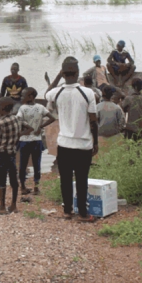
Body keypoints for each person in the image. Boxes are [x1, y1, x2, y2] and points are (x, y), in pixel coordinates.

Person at [45, 60, 98, 222]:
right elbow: (93, 121)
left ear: (63, 74)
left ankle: (68, 211)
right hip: (83, 145)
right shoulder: (88, 93)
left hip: (64, 144)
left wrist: (56, 78)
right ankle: (83, 213)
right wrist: (95, 142)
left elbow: (47, 93)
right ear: (77, 73)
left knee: (66, 180)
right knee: (82, 180)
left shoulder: (57, 93)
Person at [0, 97, 33, 215]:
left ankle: (2, 207)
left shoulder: (1, 122)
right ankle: (14, 205)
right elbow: (30, 128)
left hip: (2, 153)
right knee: (13, 179)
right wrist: (18, 135)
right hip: (12, 153)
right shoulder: (17, 119)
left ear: (2, 109)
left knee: (2, 179)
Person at [16, 87, 55, 196]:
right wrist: (40, 127)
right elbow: (52, 118)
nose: (22, 97)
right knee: (37, 164)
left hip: (24, 141)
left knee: (23, 165)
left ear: (31, 96)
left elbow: (18, 120)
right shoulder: (41, 107)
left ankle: (23, 187)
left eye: (23, 95)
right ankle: (36, 188)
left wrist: (25, 129)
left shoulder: (22, 108)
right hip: (37, 140)